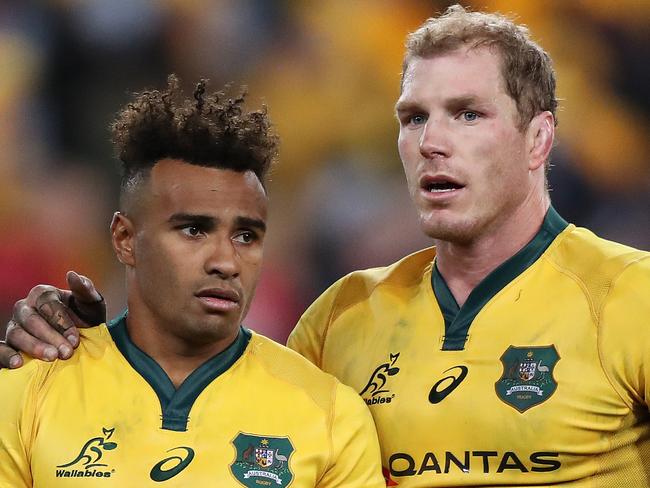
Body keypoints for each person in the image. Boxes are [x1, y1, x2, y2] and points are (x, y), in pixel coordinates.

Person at [3, 5, 650, 487]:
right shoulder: (343, 318)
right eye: (413, 117)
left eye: (468, 114)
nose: (432, 141)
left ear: (540, 139)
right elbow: (227, 410)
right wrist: (80, 351)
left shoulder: (631, 297)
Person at [0, 76, 384, 487]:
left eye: (246, 236)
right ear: (125, 240)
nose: (226, 262)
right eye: (194, 230)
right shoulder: (27, 392)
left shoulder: (329, 417)